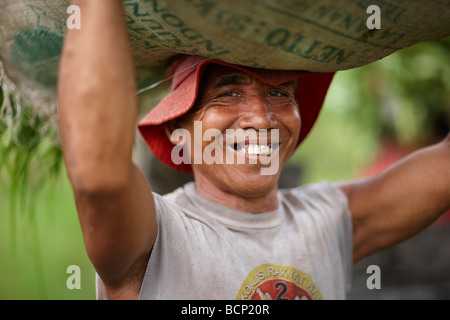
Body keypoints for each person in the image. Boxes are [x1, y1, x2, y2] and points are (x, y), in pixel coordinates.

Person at [57, 1, 450, 300]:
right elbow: (98, 177)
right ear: (178, 129)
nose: (262, 119)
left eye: (279, 92)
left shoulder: (330, 220)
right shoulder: (156, 237)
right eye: (227, 92)